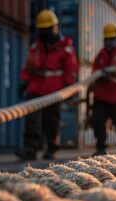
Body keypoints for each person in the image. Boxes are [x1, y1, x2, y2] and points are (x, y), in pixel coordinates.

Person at [15, 10, 78, 160]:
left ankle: (51, 148)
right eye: (42, 29)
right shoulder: (36, 46)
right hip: (36, 88)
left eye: (48, 29)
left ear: (55, 27)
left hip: (54, 90)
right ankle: (30, 149)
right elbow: (28, 66)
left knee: (51, 121)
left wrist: (69, 88)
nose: (45, 32)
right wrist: (24, 82)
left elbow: (71, 69)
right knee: (31, 120)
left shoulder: (66, 47)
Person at [91, 23, 116, 156]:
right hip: (101, 95)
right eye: (107, 39)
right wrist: (99, 74)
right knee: (98, 121)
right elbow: (94, 69)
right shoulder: (101, 54)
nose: (109, 42)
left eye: (111, 39)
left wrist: (115, 70)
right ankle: (100, 147)